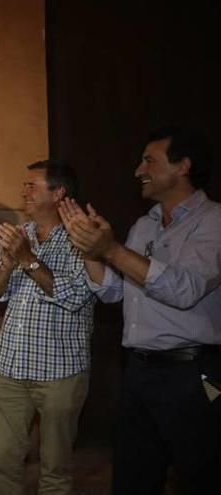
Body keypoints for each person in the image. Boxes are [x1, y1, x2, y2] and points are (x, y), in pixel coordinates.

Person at [59, 126, 221, 494]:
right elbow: (114, 292)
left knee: (202, 475)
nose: (138, 170)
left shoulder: (214, 221)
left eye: (149, 160)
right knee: (133, 477)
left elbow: (186, 289)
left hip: (193, 375)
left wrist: (113, 250)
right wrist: (90, 250)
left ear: (183, 166)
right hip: (137, 372)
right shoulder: (143, 225)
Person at [0, 160, 95, 494]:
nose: (24, 191)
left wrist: (28, 260)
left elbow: (76, 295)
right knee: (3, 462)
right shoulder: (20, 234)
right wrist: (8, 262)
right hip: (7, 368)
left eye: (33, 185)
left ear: (59, 193)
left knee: (56, 470)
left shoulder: (82, 239)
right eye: (25, 185)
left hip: (60, 372)